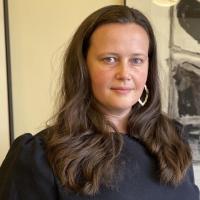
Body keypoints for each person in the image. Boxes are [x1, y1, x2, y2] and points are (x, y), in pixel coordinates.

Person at [0, 5, 199, 200]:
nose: (125, 74)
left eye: (136, 60)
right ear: (83, 67)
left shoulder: (173, 140)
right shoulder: (38, 157)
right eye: (110, 59)